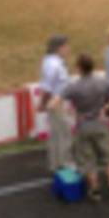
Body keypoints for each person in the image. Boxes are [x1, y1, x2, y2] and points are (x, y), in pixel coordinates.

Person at [62, 54, 109, 201]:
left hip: (83, 126)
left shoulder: (73, 86)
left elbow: (61, 104)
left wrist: (73, 114)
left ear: (79, 68)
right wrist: (106, 108)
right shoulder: (102, 82)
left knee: (89, 161)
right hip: (100, 123)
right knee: (108, 158)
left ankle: (95, 192)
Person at [37, 35, 73, 171]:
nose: (68, 49)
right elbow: (47, 87)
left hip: (56, 102)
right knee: (64, 134)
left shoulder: (49, 62)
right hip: (56, 102)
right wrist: (42, 103)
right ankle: (65, 164)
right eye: (66, 46)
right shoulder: (54, 64)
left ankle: (56, 164)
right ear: (59, 48)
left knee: (56, 135)